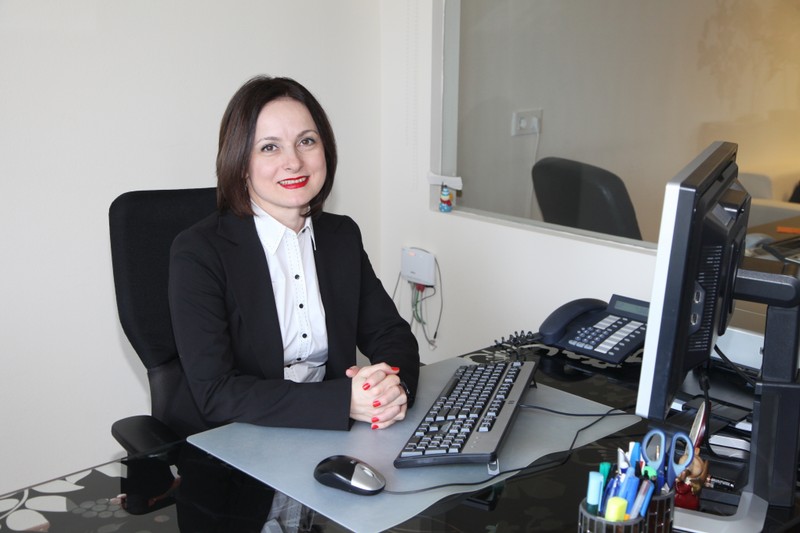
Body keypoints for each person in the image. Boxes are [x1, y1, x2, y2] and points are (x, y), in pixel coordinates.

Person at [168, 75, 420, 435]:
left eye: (306, 141)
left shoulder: (341, 236)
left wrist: (391, 388)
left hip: (330, 435)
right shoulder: (199, 252)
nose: (294, 162)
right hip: (239, 440)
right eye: (270, 147)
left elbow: (390, 334)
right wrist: (343, 401)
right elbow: (217, 392)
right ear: (241, 164)